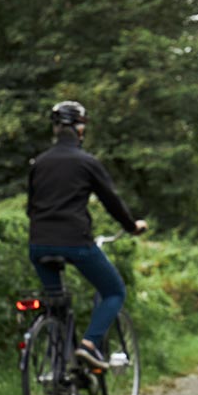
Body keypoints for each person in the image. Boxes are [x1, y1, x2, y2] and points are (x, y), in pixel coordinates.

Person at [27, 100, 147, 369]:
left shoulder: (38, 163)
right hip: (75, 242)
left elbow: (30, 208)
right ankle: (89, 345)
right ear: (80, 129)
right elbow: (111, 201)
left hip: (38, 244)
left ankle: (59, 368)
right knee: (114, 291)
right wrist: (131, 226)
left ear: (55, 129)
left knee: (56, 303)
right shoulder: (87, 163)